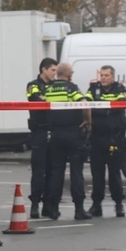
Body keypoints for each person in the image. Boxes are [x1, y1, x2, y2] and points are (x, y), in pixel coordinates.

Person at [43, 63, 91, 220]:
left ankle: (54, 209)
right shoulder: (71, 88)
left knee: (57, 172)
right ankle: (79, 209)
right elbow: (84, 104)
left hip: (55, 134)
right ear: (69, 74)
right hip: (73, 134)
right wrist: (87, 121)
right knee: (76, 172)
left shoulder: (49, 89)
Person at [87, 65, 126, 217]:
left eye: (106, 75)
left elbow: (120, 106)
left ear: (113, 77)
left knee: (114, 174)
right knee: (97, 174)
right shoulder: (93, 88)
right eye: (101, 75)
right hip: (97, 138)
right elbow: (88, 105)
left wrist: (100, 111)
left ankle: (119, 204)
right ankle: (96, 205)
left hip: (115, 138)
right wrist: (107, 111)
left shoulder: (120, 89)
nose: (103, 78)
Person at [26, 58, 57, 219]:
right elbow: (36, 100)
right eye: (52, 70)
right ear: (44, 70)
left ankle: (49, 205)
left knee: (53, 170)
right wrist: (51, 100)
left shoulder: (56, 86)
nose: (54, 74)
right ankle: (35, 204)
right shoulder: (33, 85)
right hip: (39, 132)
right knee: (39, 171)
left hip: (54, 131)